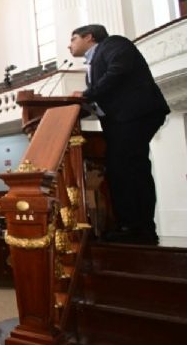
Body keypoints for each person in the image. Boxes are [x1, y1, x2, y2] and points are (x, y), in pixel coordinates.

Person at [69, 24, 170, 245]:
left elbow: (118, 71)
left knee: (131, 169)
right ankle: (130, 225)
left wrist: (87, 94)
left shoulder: (114, 44)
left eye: (73, 39)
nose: (70, 45)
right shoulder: (93, 62)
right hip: (120, 121)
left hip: (135, 114)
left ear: (89, 37)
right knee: (121, 170)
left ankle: (139, 227)